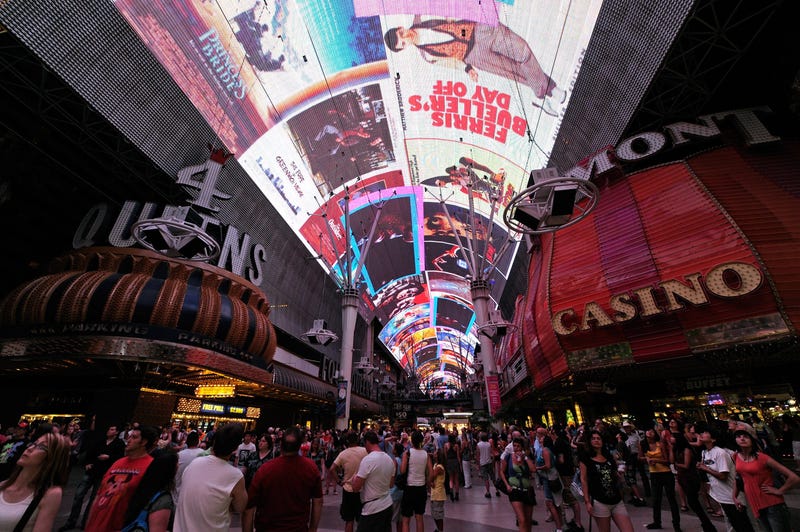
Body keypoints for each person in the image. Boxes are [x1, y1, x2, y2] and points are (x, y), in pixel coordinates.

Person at [384, 17, 566, 117]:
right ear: (404, 48)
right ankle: (550, 90)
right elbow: (451, 62)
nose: (407, 38)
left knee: (522, 51)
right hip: (474, 56)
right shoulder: (427, 55)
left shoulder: (422, 16)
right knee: (514, 72)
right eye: (403, 43)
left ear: (401, 27)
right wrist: (467, 69)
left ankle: (544, 93)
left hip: (480, 30)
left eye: (402, 33)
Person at [242, 427, 322, 532]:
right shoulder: (311, 468)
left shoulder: (265, 469)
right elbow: (318, 501)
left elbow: (249, 508)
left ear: (281, 445)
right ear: (299, 446)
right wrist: (312, 529)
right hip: (298, 528)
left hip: (267, 527)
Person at [173, 423, 248, 531]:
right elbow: (240, 507)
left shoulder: (194, 463)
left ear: (214, 441)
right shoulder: (235, 475)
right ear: (236, 448)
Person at [84, 425, 158, 532]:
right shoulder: (118, 463)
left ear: (144, 442)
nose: (128, 440)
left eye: (134, 437)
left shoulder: (151, 466)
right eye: (129, 436)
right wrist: (88, 523)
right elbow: (99, 495)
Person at [733, 425, 799, 532]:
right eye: (739, 436)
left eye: (746, 436)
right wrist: (734, 497)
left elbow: (794, 477)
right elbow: (739, 477)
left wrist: (780, 491)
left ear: (752, 439)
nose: (742, 438)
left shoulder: (762, 457)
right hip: (755, 503)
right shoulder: (736, 456)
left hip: (772, 504)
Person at [60, 422, 125, 531]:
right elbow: (90, 453)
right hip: (92, 471)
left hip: (104, 474)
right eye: (109, 429)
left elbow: (119, 459)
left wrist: (108, 457)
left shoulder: (119, 444)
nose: (109, 431)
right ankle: (71, 521)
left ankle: (85, 523)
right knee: (78, 496)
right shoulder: (100, 441)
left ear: (117, 432)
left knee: (93, 501)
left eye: (112, 429)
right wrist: (87, 463)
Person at [0, 432, 70, 531]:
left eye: (41, 447)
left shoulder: (50, 494)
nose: (30, 448)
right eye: (33, 443)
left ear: (52, 458)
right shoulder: (3, 485)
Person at [696, 429, 754, 532]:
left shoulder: (720, 453)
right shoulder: (704, 452)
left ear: (713, 439)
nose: (702, 434)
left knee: (743, 525)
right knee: (734, 524)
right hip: (721, 496)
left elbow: (723, 476)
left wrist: (705, 469)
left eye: (705, 432)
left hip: (732, 496)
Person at [579, 430, 634, 532]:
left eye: (598, 438)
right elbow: (583, 479)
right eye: (593, 439)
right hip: (600, 501)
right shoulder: (585, 457)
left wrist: (619, 473)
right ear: (589, 441)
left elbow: (614, 473)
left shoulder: (608, 455)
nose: (596, 441)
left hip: (616, 499)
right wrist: (587, 501)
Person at [121, 448, 177, 532]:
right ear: (169, 470)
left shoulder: (136, 487)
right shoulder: (162, 500)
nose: (178, 466)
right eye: (176, 464)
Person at [673, 430, 717, 532]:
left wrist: (676, 464)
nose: (672, 439)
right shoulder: (677, 450)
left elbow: (686, 465)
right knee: (693, 502)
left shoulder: (686, 450)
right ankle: (706, 524)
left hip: (690, 478)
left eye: (674, 438)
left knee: (693, 502)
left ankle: (707, 525)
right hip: (683, 478)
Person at [351, 431, 395, 532]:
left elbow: (356, 488)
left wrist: (354, 479)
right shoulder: (389, 459)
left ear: (367, 442)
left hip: (372, 508)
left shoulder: (368, 460)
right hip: (387, 504)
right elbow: (391, 484)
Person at [642, 428, 681, 531]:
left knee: (671, 499)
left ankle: (676, 525)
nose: (649, 433)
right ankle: (657, 522)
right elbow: (639, 457)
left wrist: (655, 460)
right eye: (648, 431)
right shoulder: (643, 444)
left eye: (652, 431)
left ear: (655, 434)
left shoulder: (660, 444)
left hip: (666, 473)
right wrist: (647, 459)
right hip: (654, 474)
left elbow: (667, 460)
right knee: (656, 500)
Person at [330, 431, 368, 532]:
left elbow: (332, 469)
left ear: (347, 441)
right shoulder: (365, 451)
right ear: (358, 440)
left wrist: (339, 481)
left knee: (349, 520)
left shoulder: (343, 454)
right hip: (362, 489)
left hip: (348, 488)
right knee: (361, 520)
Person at [499, 437, 536, 532]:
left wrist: (525, 458)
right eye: (514, 446)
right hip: (514, 490)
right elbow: (502, 471)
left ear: (522, 447)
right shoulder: (508, 457)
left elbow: (533, 469)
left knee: (528, 520)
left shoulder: (526, 457)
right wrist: (507, 485)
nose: (516, 448)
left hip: (527, 490)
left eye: (518, 446)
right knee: (522, 520)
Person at [400, 430, 433, 532]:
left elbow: (402, 470)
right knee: (419, 518)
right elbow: (431, 473)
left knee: (406, 519)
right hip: (421, 488)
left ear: (412, 440)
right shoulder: (425, 454)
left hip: (409, 488)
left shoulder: (407, 453)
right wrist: (428, 483)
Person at [534, 427, 565, 532]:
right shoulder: (545, 450)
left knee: (551, 503)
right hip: (548, 478)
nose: (539, 438)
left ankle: (559, 528)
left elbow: (547, 465)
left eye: (541, 437)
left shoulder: (546, 451)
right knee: (554, 503)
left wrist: (537, 468)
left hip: (549, 479)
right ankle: (560, 525)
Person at [174, 430, 204, 499]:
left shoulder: (179, 455)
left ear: (187, 442)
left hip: (177, 493)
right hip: (194, 495)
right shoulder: (203, 454)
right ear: (197, 442)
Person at [429, 450, 447, 532]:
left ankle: (440, 530)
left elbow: (431, 476)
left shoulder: (439, 467)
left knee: (438, 515)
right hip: (435, 493)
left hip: (438, 494)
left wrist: (430, 481)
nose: (434, 454)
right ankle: (438, 529)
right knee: (435, 514)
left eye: (435, 453)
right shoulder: (436, 465)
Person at [475, 432, 496, 499]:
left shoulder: (478, 445)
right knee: (493, 477)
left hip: (482, 463)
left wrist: (478, 465)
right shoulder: (489, 444)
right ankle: (497, 490)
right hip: (489, 462)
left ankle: (488, 492)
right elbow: (492, 453)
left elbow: (477, 456)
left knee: (486, 479)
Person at [443, 433, 461, 501]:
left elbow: (445, 455)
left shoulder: (445, 445)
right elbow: (458, 456)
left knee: (451, 478)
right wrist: (460, 464)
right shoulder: (456, 445)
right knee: (456, 479)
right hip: (455, 461)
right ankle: (457, 494)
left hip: (449, 462)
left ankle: (451, 491)